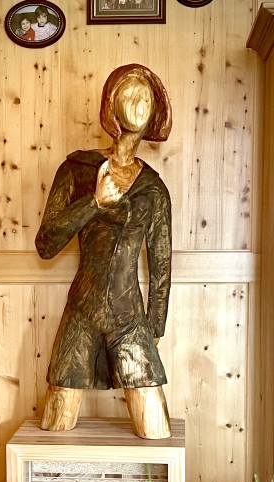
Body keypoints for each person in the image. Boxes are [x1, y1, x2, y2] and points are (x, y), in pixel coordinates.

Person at [35, 64, 173, 439]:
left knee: (155, 429)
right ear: (111, 104)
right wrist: (93, 202)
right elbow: (46, 244)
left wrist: (155, 324)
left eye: (146, 97)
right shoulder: (78, 169)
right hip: (82, 310)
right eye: (130, 94)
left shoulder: (154, 189)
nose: (139, 103)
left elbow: (161, 263)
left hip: (129, 318)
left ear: (155, 112)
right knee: (56, 418)